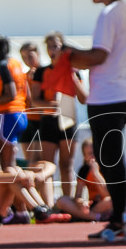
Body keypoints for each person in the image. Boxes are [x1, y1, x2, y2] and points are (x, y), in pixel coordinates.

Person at [67, 0, 126, 240]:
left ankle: (120, 220)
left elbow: (99, 55)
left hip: (108, 96)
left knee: (110, 159)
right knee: (109, 157)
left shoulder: (110, 13)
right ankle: (120, 219)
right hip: (118, 93)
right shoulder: (125, 11)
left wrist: (69, 55)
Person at [36, 31, 88, 198]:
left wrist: (71, 74)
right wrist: (52, 105)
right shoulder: (41, 72)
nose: (53, 50)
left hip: (67, 120)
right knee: (47, 165)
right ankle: (48, 202)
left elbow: (83, 98)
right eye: (50, 46)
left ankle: (68, 201)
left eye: (56, 46)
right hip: (48, 121)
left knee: (66, 164)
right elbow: (34, 100)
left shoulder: (74, 72)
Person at [0, 33, 30, 172]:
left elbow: (10, 94)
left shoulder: (3, 66)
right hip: (21, 114)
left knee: (7, 165)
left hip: (8, 115)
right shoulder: (15, 63)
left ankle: (14, 192)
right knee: (9, 160)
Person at [54, 138, 113, 221]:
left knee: (110, 201)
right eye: (90, 154)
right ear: (85, 157)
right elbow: (78, 195)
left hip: (105, 204)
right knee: (62, 200)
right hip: (92, 206)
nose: (93, 157)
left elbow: (107, 194)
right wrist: (81, 202)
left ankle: (85, 216)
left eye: (95, 153)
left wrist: (96, 174)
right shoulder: (84, 170)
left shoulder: (107, 167)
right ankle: (96, 217)